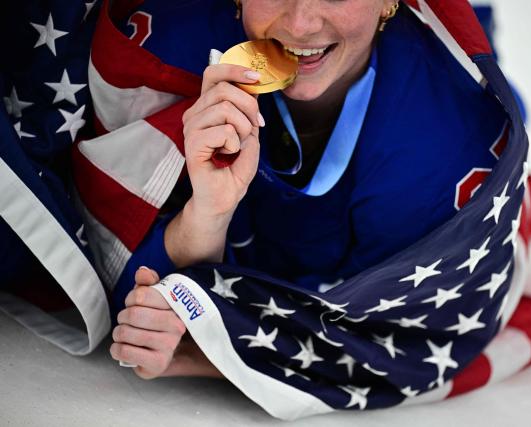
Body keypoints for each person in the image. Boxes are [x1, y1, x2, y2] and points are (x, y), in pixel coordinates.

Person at [104, 0, 507, 379]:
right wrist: (209, 210)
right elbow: (110, 279)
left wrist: (209, 353)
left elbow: (396, 340)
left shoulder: (445, 142)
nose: (301, 24)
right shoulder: (161, 49)